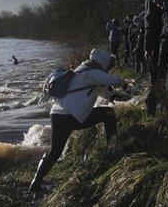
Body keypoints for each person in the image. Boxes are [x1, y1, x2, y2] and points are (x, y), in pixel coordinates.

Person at [29, 49, 127, 191]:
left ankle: (35, 184)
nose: (110, 67)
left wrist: (110, 96)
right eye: (109, 64)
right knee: (109, 113)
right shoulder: (94, 72)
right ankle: (112, 149)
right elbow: (114, 80)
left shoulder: (81, 70)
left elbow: (97, 90)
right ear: (103, 62)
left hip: (57, 114)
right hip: (71, 116)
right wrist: (123, 84)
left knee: (54, 152)